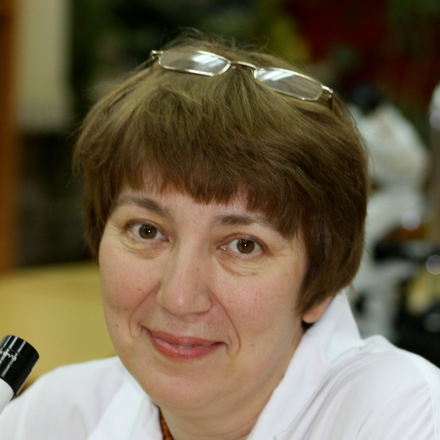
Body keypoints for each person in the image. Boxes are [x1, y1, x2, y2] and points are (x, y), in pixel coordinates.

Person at [1, 34, 439, 440]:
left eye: (244, 245)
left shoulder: (403, 415)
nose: (179, 297)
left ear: (319, 285)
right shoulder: (54, 418)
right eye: (147, 231)